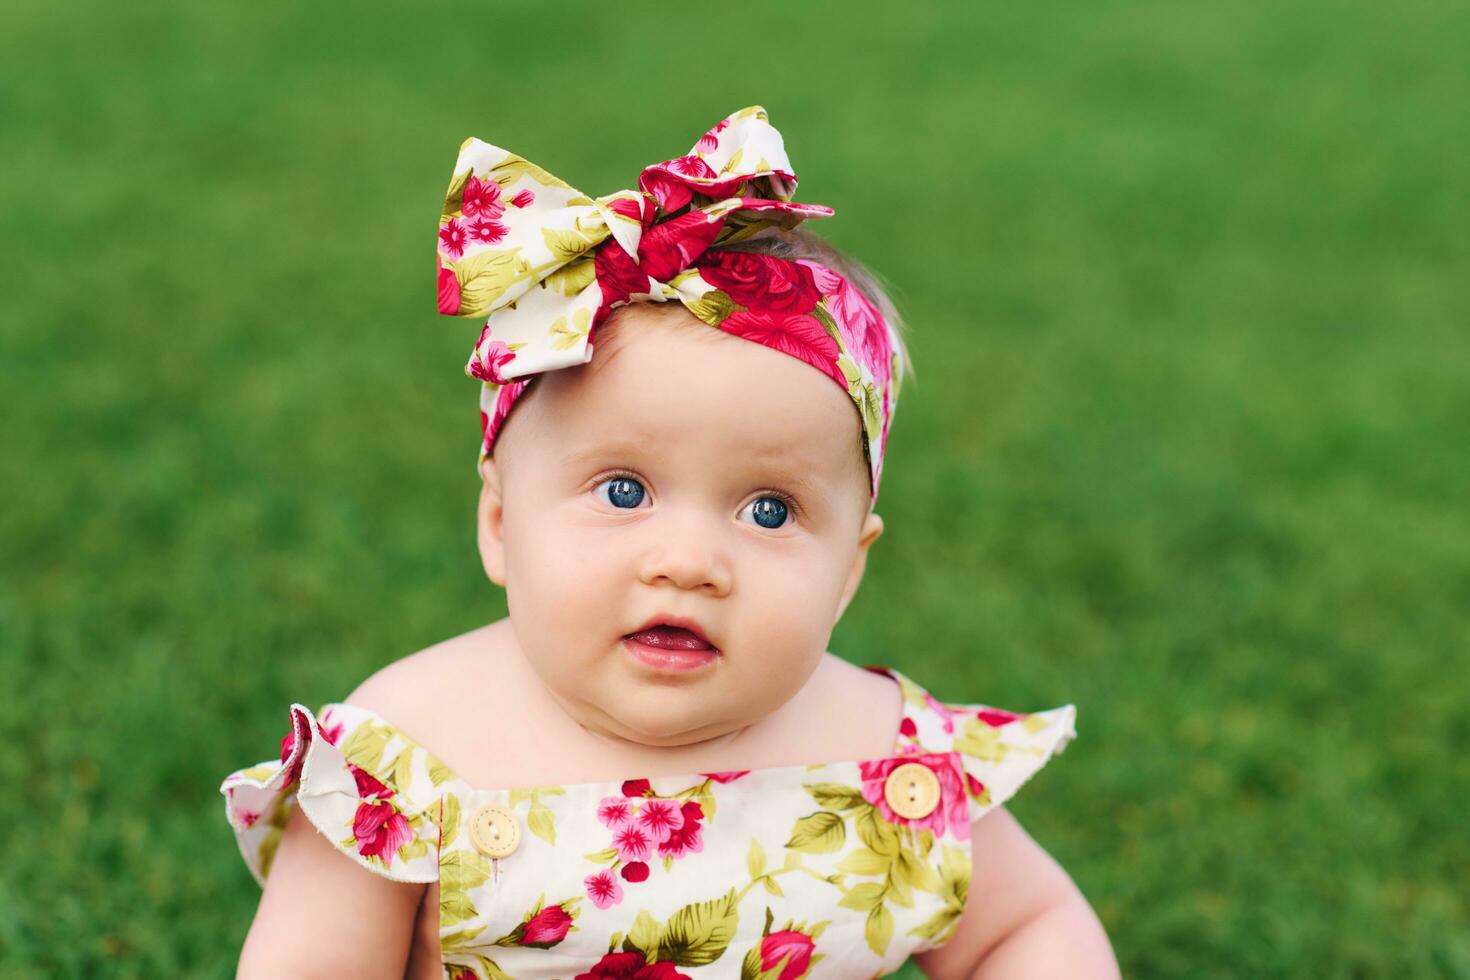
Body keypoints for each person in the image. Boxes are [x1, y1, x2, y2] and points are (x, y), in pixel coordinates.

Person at [222, 105, 1119, 979]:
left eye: (769, 511)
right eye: (623, 492)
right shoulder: (413, 750)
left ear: (848, 569)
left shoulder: (889, 756)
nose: (687, 562)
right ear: (500, 526)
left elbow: (1025, 928)